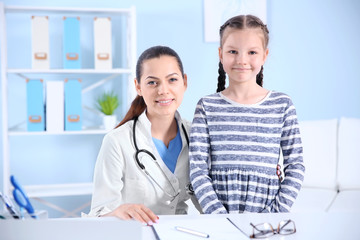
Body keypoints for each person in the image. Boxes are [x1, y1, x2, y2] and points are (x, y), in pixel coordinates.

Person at [189, 15, 305, 214]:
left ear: (264, 55)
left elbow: (296, 165)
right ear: (220, 53)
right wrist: (218, 216)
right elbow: (198, 170)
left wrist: (274, 214)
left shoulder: (282, 105)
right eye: (233, 51)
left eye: (252, 52)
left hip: (267, 223)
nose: (242, 60)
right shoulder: (206, 106)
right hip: (218, 221)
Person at [87, 46, 201, 224]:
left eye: (172, 80)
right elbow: (98, 215)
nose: (163, 90)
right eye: (152, 82)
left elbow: (208, 204)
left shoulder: (197, 135)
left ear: (184, 82)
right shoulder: (117, 141)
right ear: (138, 87)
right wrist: (119, 211)